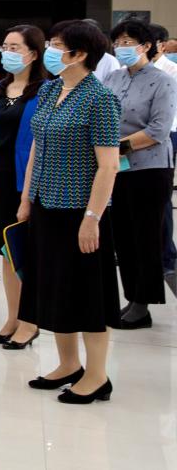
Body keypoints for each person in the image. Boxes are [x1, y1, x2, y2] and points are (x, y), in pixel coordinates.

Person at [19, 20, 121, 404]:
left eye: (57, 45)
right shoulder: (50, 89)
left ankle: (96, 375)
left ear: (79, 54)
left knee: (87, 294)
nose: (51, 50)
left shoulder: (100, 99)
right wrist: (27, 197)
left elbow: (108, 166)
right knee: (55, 289)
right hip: (46, 204)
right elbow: (37, 146)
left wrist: (92, 219)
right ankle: (68, 364)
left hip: (80, 211)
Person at [102, 19, 177, 329]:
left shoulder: (163, 81)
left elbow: (158, 130)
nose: (121, 47)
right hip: (115, 168)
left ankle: (143, 305)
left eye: (128, 42)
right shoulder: (113, 77)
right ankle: (131, 296)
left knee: (146, 237)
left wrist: (115, 146)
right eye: (118, 42)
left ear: (146, 46)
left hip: (150, 168)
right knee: (123, 237)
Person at [0, 25, 47, 349]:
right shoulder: (0, 88)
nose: (7, 53)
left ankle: (31, 322)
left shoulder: (45, 90)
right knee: (7, 250)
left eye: (15, 47)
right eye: (5, 46)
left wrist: (29, 193)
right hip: (1, 178)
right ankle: (13, 317)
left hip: (27, 181)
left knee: (27, 252)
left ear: (34, 53)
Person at [147, 24, 177, 297]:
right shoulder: (122, 74)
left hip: (166, 137)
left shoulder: (170, 72)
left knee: (161, 201)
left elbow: (160, 126)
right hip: (126, 148)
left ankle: (167, 257)